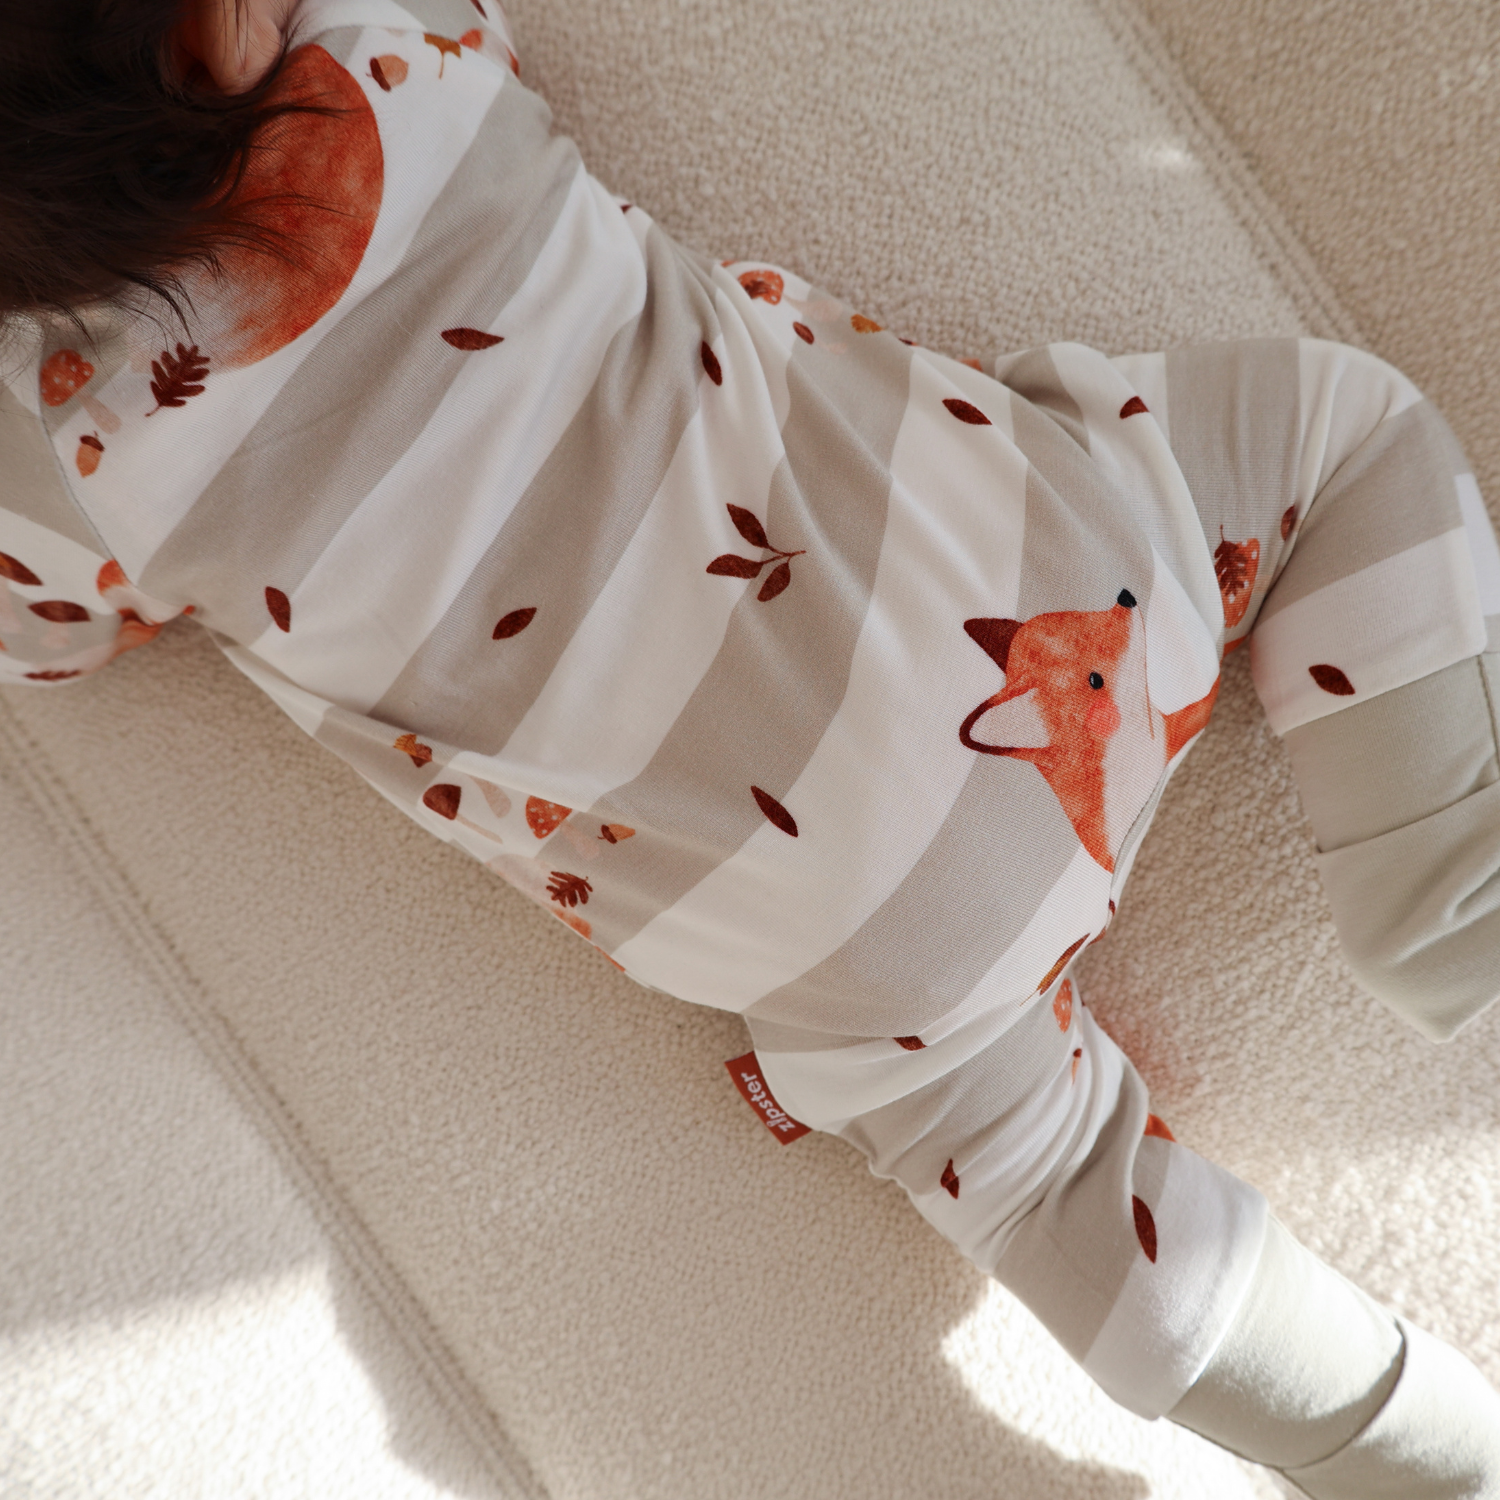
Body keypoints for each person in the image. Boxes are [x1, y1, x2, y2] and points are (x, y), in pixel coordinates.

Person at [4, 0, 1499, 1490]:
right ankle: (1442, 893)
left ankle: (1405, 1445)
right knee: (1345, 437)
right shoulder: (391, 55)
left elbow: (43, 643)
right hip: (1045, 590)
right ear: (215, 37)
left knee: (1050, 1185)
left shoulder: (50, 459)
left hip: (846, 937)